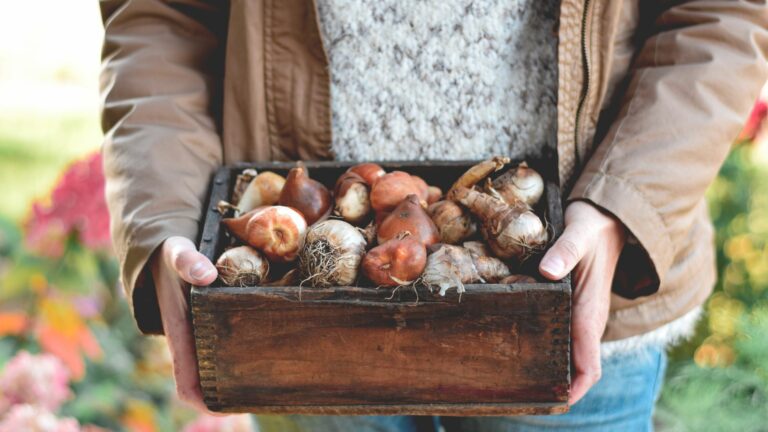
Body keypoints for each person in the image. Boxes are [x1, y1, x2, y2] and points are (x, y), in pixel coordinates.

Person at [98, 0, 768, 431]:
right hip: (307, 308)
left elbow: (721, 12)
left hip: (568, 294)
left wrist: (625, 201)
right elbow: (161, 16)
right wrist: (166, 210)